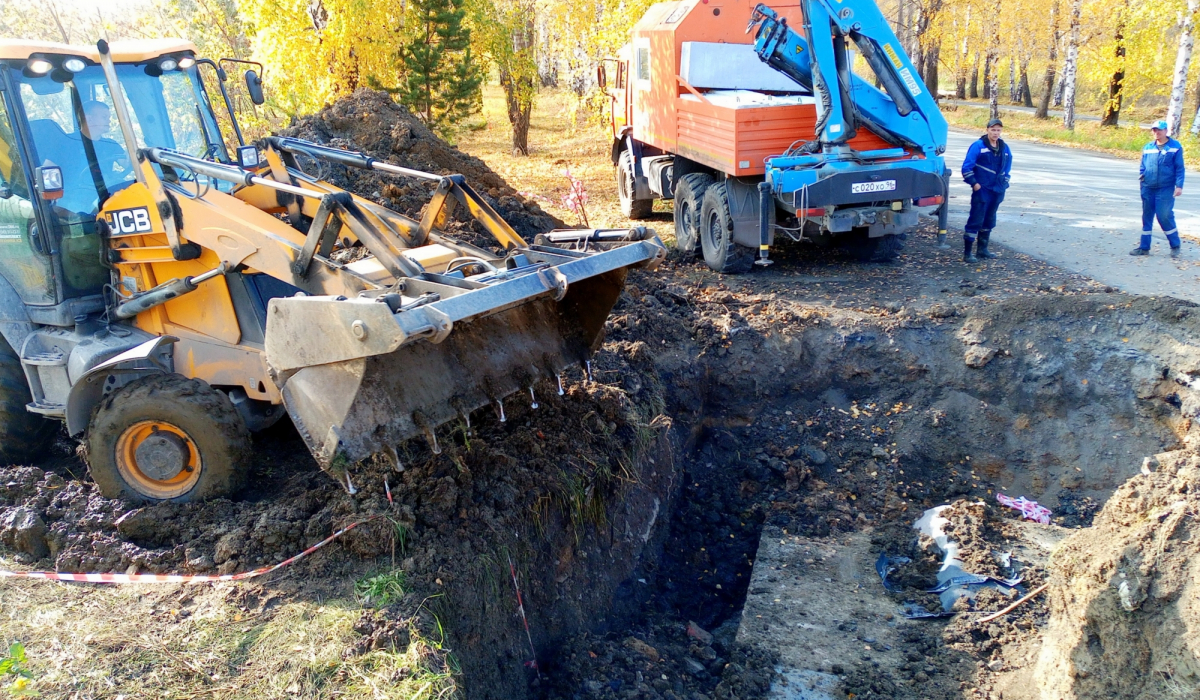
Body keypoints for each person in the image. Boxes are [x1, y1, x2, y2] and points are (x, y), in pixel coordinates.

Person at [960, 118, 1012, 263]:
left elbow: (1008, 167)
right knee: (976, 219)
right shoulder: (978, 146)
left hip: (997, 190)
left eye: (998, 130)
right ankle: (968, 253)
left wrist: (1005, 181)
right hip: (982, 190)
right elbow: (966, 168)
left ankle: (982, 250)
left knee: (989, 219)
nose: (996, 133)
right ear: (987, 130)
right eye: (993, 130)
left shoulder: (1004, 148)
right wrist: (974, 184)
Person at [1131, 120, 1184, 258]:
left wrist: (1179, 186)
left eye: (1159, 130)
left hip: (1165, 188)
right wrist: (1142, 178)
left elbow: (1179, 168)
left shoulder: (1175, 147)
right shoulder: (1148, 147)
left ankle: (1175, 244)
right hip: (1148, 187)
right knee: (1147, 217)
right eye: (1154, 130)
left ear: (1166, 131)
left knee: (1164, 215)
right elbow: (1143, 166)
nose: (1156, 132)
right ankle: (1144, 247)